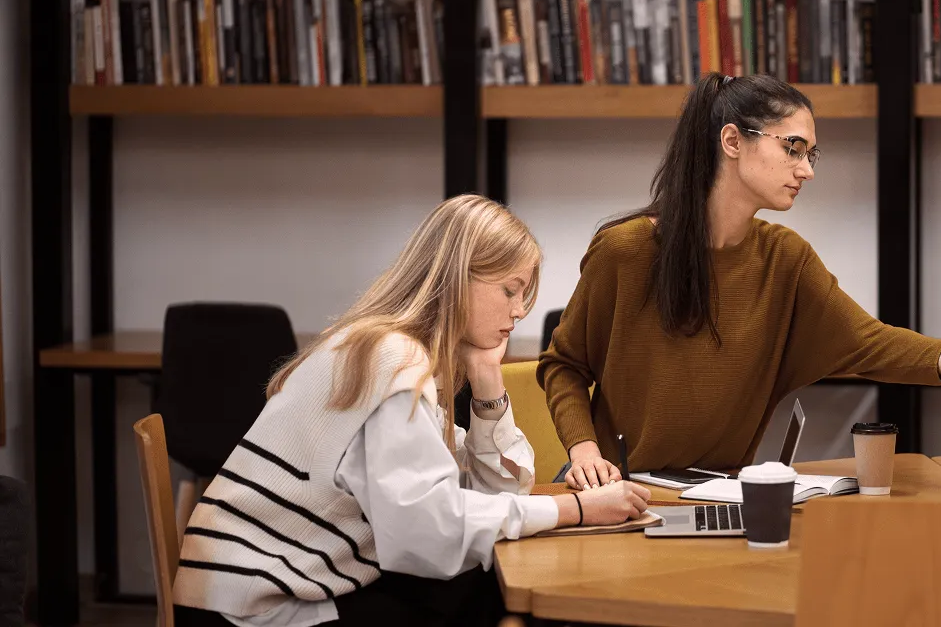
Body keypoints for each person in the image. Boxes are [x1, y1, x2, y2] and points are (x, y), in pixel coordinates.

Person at [537, 73, 941, 490]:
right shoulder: (625, 251)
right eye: (793, 148)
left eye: (811, 154)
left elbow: (865, 341)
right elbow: (564, 364)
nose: (806, 169)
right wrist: (584, 452)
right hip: (617, 493)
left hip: (721, 494)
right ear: (733, 141)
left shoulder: (785, 259)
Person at [172, 195, 651, 627]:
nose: (521, 309)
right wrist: (577, 509)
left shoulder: (398, 350)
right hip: (252, 608)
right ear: (457, 277)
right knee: (490, 593)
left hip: (267, 590)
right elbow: (427, 535)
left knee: (486, 584)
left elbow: (496, 490)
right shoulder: (392, 358)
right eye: (510, 289)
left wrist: (487, 379)